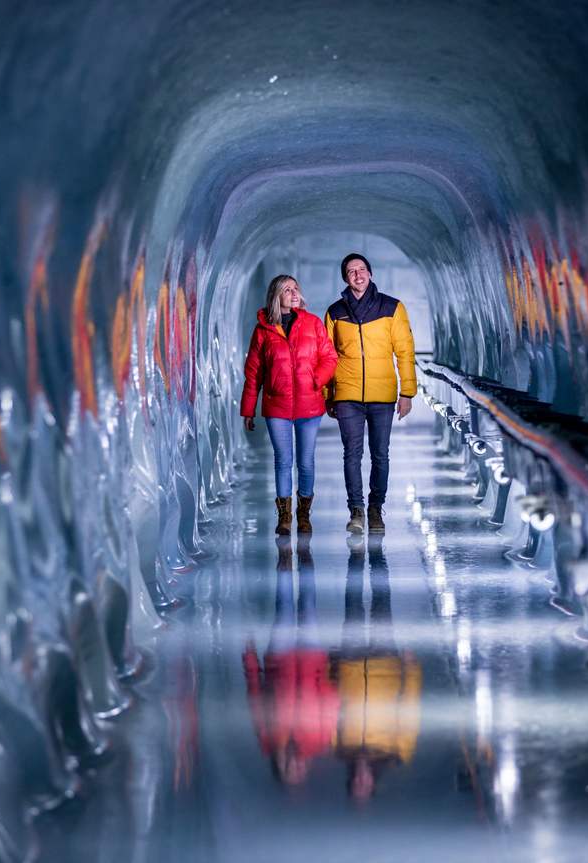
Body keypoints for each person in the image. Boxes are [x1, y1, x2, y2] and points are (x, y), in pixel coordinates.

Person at [323, 253, 417, 534]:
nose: (357, 275)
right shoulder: (335, 312)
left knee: (380, 454)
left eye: (362, 269)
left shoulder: (392, 308)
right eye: (351, 271)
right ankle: (356, 510)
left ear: (371, 274)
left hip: (382, 394)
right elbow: (327, 356)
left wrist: (407, 392)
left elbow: (404, 351)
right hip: (348, 392)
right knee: (351, 454)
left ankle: (376, 508)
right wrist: (329, 393)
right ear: (345, 278)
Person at [241, 274, 338, 535]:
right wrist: (248, 410)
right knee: (283, 460)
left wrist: (316, 380)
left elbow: (330, 357)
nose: (294, 293)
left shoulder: (312, 323)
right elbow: (254, 372)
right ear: (276, 296)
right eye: (287, 290)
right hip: (277, 405)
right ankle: (284, 517)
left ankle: (304, 514)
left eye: (296, 288)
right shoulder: (263, 329)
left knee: (305, 461)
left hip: (309, 403)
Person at [242, 538, 338, 786]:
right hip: (312, 661)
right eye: (298, 770)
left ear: (278, 766)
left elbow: (256, 695)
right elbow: (331, 703)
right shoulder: (320, 742)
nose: (295, 764)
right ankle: (305, 560)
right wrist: (326, 675)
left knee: (284, 608)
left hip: (279, 660)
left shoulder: (267, 737)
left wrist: (250, 659)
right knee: (307, 607)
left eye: (288, 769)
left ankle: (285, 560)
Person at [332, 541, 422, 801]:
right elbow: (410, 711)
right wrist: (412, 670)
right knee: (382, 602)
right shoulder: (396, 751)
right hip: (386, 669)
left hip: (349, 663)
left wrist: (331, 666)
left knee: (352, 600)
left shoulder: (339, 749)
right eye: (364, 785)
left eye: (355, 784)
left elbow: (330, 709)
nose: (360, 779)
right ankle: (377, 555)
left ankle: (359, 554)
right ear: (373, 783)